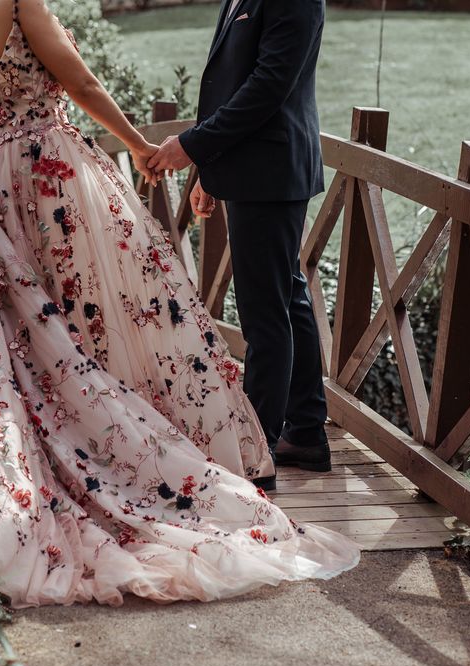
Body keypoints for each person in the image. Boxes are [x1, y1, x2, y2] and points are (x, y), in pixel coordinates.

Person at [0, 0, 358, 608]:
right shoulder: (26, 4)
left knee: (271, 302)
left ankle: (290, 431)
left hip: (2, 169)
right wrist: (144, 147)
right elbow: (84, 82)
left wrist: (195, 151)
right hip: (43, 171)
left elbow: (269, 84)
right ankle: (259, 453)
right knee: (87, 311)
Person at [149, 0, 333, 473]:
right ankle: (306, 433)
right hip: (251, 166)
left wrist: (192, 147)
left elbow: (268, 87)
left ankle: (257, 455)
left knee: (264, 314)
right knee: (286, 296)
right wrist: (211, 171)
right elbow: (227, 84)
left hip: (270, 171)